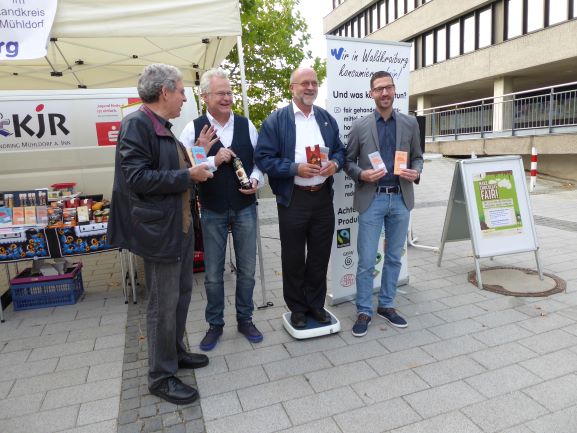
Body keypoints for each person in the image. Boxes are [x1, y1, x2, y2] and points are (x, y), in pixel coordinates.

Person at [108, 64, 213, 405]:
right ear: (165, 91)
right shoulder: (136, 125)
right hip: (158, 231)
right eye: (182, 91)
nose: (185, 97)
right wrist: (188, 177)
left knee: (181, 295)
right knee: (162, 306)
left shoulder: (162, 127)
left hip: (177, 226)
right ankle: (160, 376)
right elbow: (137, 179)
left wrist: (192, 160)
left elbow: (168, 169)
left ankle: (176, 352)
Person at [180, 68, 265, 351]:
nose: (228, 97)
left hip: (244, 207)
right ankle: (215, 325)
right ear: (205, 96)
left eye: (229, 92)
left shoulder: (246, 125)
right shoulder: (193, 129)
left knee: (248, 270)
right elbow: (189, 170)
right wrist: (214, 159)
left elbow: (259, 162)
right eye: (221, 93)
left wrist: (255, 180)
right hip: (213, 209)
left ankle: (245, 318)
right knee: (214, 274)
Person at [255, 67, 345, 329]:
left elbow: (340, 150)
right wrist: (295, 169)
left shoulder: (326, 118)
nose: (310, 87)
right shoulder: (276, 121)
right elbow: (263, 158)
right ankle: (296, 307)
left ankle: (316, 305)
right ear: (292, 87)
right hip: (293, 198)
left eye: (314, 83)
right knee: (293, 257)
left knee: (319, 255)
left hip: (322, 198)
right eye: (304, 83)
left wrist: (335, 166)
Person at [345, 70, 423, 337]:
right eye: (379, 89)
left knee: (393, 257)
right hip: (372, 198)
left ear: (394, 90)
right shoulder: (360, 126)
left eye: (388, 87)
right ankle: (364, 309)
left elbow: (418, 157)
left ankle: (387, 305)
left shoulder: (410, 123)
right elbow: (348, 161)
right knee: (367, 260)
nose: (384, 93)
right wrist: (362, 174)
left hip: (401, 198)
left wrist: (417, 171)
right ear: (371, 94)